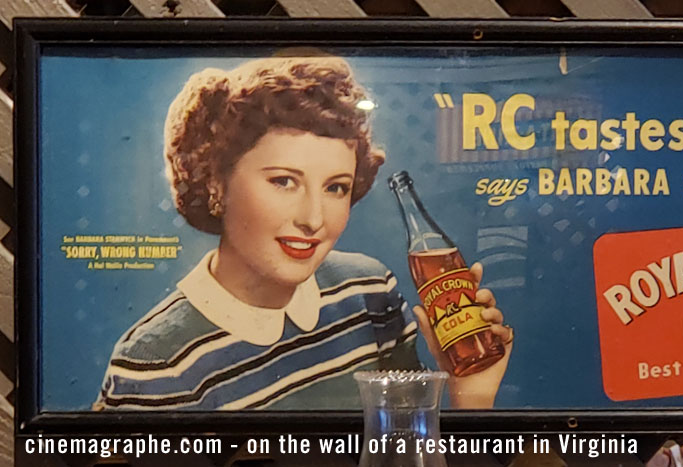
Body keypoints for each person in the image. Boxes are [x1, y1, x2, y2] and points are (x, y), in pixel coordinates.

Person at [93, 56, 513, 411]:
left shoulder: (368, 291)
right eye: (284, 181)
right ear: (216, 183)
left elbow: (404, 452)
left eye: (336, 188)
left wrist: (470, 398)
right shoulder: (156, 363)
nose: (314, 219)